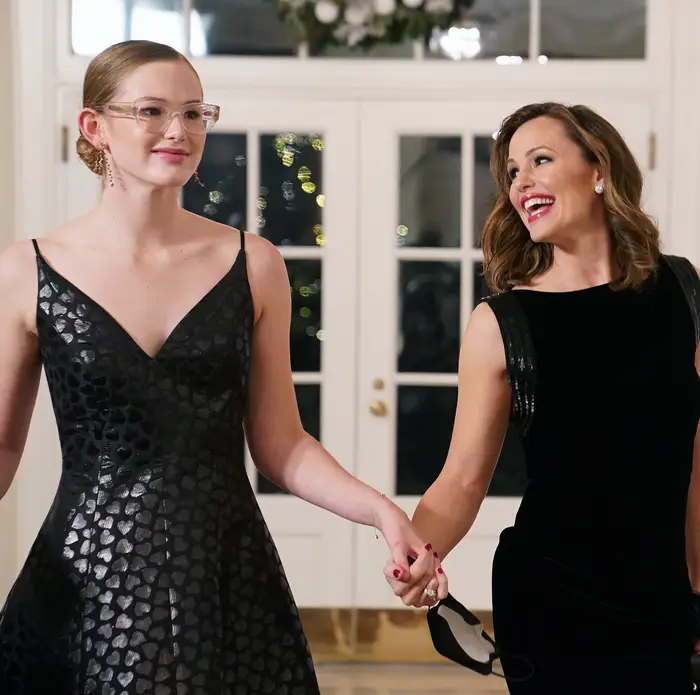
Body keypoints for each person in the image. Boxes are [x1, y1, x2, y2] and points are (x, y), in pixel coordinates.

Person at [0, 40, 446, 694]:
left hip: (226, 573)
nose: (178, 130)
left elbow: (281, 444)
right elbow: (3, 444)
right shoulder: (24, 270)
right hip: (86, 573)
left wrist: (381, 511)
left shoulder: (255, 263)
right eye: (151, 111)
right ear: (94, 126)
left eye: (193, 113)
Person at [383, 102, 700, 694]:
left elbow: (696, 461)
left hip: (661, 599)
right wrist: (418, 554)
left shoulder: (682, 290)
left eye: (541, 160)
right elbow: (461, 480)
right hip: (553, 601)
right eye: (512, 171)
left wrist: (699, 588)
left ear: (598, 169)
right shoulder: (502, 323)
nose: (521, 182)